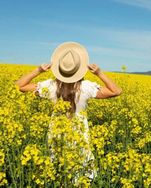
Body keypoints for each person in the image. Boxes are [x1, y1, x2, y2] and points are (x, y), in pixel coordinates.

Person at [15, 41, 122, 182]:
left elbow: (19, 86)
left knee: (58, 172)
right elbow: (116, 91)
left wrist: (38, 70)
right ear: (79, 69)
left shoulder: (50, 86)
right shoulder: (86, 87)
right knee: (82, 177)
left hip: (56, 136)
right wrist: (99, 73)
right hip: (80, 137)